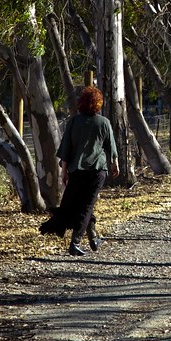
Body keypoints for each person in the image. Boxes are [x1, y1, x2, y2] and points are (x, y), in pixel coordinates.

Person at [39, 86, 119, 255]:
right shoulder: (103, 122)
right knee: (86, 206)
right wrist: (115, 164)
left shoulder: (74, 122)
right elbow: (111, 146)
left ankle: (93, 238)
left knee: (83, 205)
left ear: (81, 103)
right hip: (97, 171)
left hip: (76, 171)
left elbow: (66, 149)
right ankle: (75, 242)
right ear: (98, 104)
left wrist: (64, 172)